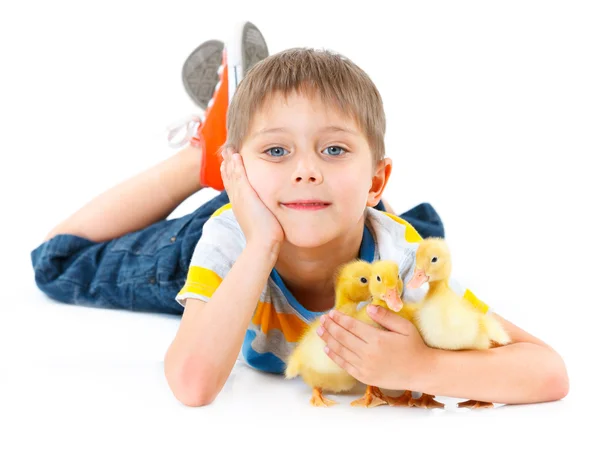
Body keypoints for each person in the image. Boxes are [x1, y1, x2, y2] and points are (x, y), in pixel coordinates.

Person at [31, 22, 569, 408]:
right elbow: (192, 386)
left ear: (377, 182)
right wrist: (260, 241)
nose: (307, 170)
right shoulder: (225, 241)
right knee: (57, 265)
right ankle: (208, 152)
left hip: (351, 224)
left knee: (428, 239)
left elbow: (548, 371)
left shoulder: (401, 257)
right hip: (247, 223)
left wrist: (420, 366)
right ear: (241, 168)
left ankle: (299, 161)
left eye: (334, 150)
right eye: (277, 149)